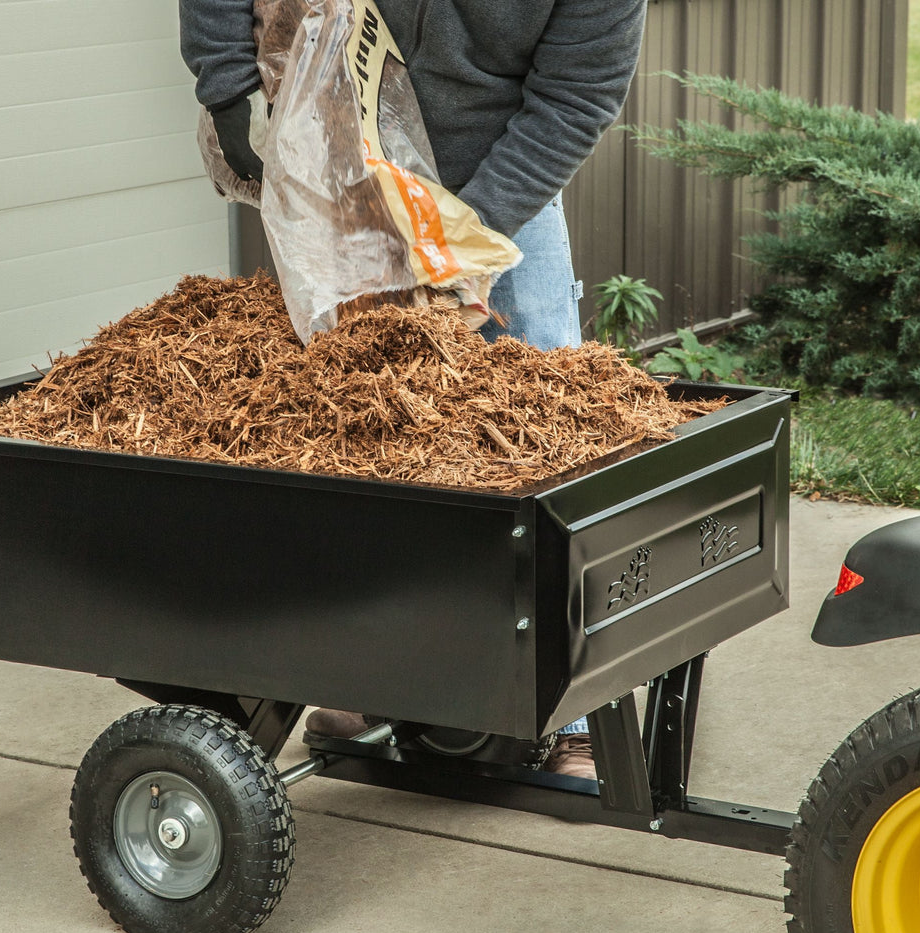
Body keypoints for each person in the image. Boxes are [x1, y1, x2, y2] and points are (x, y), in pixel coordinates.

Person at [179, 0, 648, 779]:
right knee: (351, 413)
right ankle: (370, 676)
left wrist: (461, 239)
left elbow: (572, 100)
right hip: (338, 151)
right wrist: (226, 88)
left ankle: (571, 707)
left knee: (550, 425)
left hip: (492, 170)